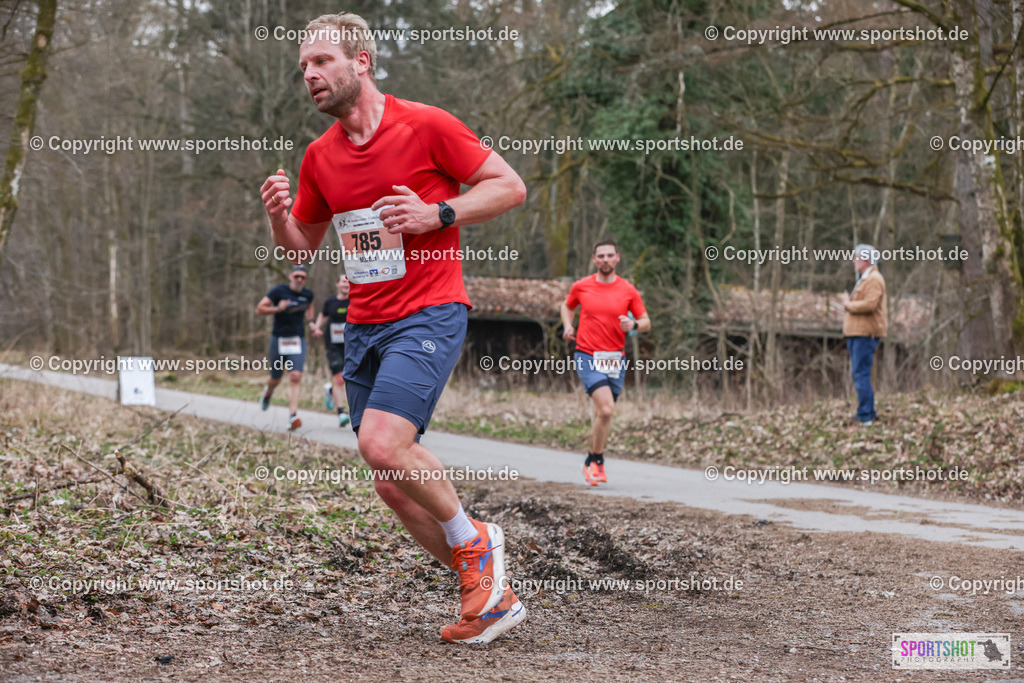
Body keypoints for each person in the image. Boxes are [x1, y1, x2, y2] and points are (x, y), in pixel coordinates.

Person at [258, 13, 527, 644]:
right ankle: (489, 595)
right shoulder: (320, 157)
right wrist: (277, 218)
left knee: (382, 443)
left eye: (322, 61)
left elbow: (509, 187)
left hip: (430, 310)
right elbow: (301, 247)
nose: (311, 76)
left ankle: (476, 542)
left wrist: (438, 212)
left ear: (363, 62)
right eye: (303, 68)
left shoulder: (428, 124)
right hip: (365, 323)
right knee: (390, 480)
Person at [561, 239, 650, 486]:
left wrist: (632, 325)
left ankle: (591, 461)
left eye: (610, 255)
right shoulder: (582, 286)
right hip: (587, 354)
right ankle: (597, 461)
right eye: (601, 256)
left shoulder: (628, 290)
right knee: (607, 409)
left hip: (615, 359)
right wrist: (568, 325)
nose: (605, 260)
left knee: (604, 414)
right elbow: (567, 306)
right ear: (594, 259)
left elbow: (646, 322)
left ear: (617, 258)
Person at [256, 265, 315, 431]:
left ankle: (292, 416)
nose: (299, 279)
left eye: (302, 277)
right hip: (278, 339)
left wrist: (311, 323)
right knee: (276, 377)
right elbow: (259, 308)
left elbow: (310, 307)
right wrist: (276, 308)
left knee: (295, 376)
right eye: (296, 276)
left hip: (297, 339)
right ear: (290, 276)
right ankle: (268, 392)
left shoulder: (307, 294)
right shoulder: (278, 291)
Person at [840, 244, 887, 426]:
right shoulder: (866, 278)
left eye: (857, 257)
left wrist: (848, 305)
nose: (854, 260)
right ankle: (867, 412)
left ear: (865, 259)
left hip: (865, 334)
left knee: (861, 374)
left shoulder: (874, 279)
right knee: (860, 374)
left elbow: (870, 304)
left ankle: (865, 416)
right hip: (858, 333)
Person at [312, 273, 352, 427]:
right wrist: (316, 328)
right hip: (333, 344)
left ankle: (330, 391)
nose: (345, 284)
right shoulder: (330, 302)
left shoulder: (354, 300)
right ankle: (341, 412)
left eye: (348, 281)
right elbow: (322, 316)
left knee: (351, 378)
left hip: (352, 345)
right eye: (343, 281)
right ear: (337, 284)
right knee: (339, 378)